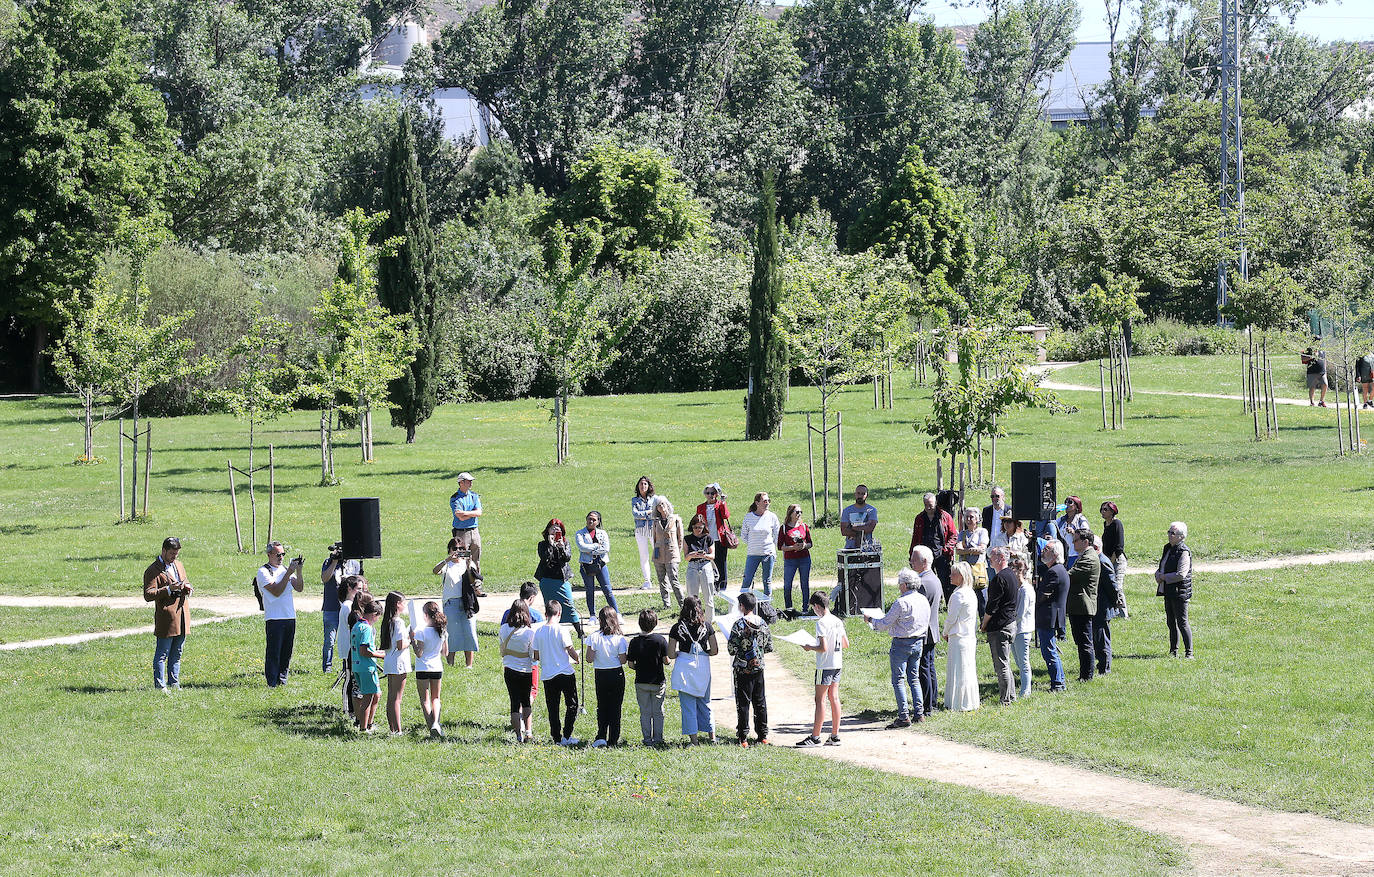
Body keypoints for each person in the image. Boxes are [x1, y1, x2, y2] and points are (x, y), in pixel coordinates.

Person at [867, 567, 929, 727]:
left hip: (901, 643)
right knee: (914, 678)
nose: (898, 586)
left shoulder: (901, 602)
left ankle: (903, 716)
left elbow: (883, 624)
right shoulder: (923, 599)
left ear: (905, 585)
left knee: (899, 680)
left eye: (900, 583)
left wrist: (870, 620)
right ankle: (919, 713)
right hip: (918, 642)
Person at [797, 591, 849, 747]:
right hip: (837, 663)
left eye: (813, 608)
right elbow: (846, 643)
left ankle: (815, 736)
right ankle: (835, 735)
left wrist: (809, 647)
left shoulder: (821, 623)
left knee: (820, 700)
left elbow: (823, 647)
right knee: (834, 698)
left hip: (825, 665)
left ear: (817, 606)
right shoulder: (837, 620)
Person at [143, 536, 192, 693]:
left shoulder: (178, 565)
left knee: (177, 653)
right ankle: (160, 686)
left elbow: (185, 580)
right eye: (171, 554)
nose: (174, 557)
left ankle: (174, 683)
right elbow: (148, 595)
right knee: (162, 654)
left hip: (182, 615)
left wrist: (187, 587)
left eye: (176, 554)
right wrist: (169, 589)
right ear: (163, 551)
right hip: (166, 618)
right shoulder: (153, 570)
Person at [668, 596, 719, 745]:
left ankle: (694, 740)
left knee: (688, 706)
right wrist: (705, 653)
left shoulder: (676, 627)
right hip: (702, 666)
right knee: (705, 702)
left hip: (684, 666)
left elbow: (670, 653)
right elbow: (715, 650)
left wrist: (679, 654)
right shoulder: (707, 626)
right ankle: (712, 737)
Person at [727, 591, 773, 746]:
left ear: (742, 606)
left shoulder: (739, 625)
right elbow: (768, 647)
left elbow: (731, 649)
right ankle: (763, 735)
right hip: (758, 668)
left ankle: (743, 736)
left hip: (742, 669)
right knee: (760, 702)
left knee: (743, 703)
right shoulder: (763, 623)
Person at [533, 600, 581, 745]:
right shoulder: (561, 630)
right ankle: (567, 734)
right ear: (559, 613)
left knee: (553, 707)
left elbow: (536, 656)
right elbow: (570, 649)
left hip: (548, 674)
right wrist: (577, 658)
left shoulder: (539, 631)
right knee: (572, 705)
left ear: (545, 614)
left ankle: (556, 737)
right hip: (565, 672)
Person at [257, 541, 303, 687]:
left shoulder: (284, 569)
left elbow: (299, 588)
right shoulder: (263, 572)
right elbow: (276, 591)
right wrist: (288, 573)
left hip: (289, 616)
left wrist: (299, 571)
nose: (281, 557)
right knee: (274, 652)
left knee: (286, 652)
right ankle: (272, 682)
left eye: (283, 554)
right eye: (278, 554)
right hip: (274, 618)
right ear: (269, 555)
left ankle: (282, 680)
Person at [584, 606, 628, 748]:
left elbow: (589, 659)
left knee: (602, 706)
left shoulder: (594, 637)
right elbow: (623, 660)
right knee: (616, 707)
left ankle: (601, 734)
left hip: (601, 674)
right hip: (616, 673)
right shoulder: (619, 638)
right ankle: (613, 738)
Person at [981, 546, 1020, 705]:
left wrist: (984, 624)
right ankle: (1011, 696)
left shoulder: (998, 579)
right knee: (1006, 663)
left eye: (992, 557)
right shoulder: (1011, 574)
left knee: (1001, 666)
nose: (990, 559)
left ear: (1001, 558)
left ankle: (1005, 700)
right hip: (1011, 623)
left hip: (1000, 626)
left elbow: (991, 607)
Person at [434, 539, 479, 669]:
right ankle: (450, 663)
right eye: (455, 548)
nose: (458, 551)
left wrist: (469, 564)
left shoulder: (467, 564)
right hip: (451, 602)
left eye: (461, 549)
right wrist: (447, 560)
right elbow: (435, 571)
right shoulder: (447, 565)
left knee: (469, 631)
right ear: (449, 550)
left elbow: (472, 580)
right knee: (451, 633)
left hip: (467, 602)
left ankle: (469, 665)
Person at [627, 608, 669, 746]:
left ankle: (647, 739)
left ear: (639, 623)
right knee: (658, 711)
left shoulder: (634, 642)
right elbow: (666, 661)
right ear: (656, 623)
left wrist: (638, 668)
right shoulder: (660, 640)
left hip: (641, 681)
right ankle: (658, 738)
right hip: (657, 681)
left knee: (645, 712)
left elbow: (631, 664)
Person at [942, 562, 980, 712]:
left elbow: (951, 618)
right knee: (967, 669)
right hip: (968, 635)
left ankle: (959, 703)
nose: (950, 576)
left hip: (959, 636)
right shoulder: (969, 592)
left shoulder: (959, 594)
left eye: (953, 574)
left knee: (959, 670)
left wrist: (945, 631)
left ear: (961, 576)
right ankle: (968, 701)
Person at [909, 546, 942, 717]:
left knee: (923, 669)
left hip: (924, 631)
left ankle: (927, 706)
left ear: (924, 562)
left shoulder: (923, 583)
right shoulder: (933, 579)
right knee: (929, 667)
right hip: (932, 629)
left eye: (914, 559)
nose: (911, 562)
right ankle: (932, 702)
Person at [498, 600, 537, 743]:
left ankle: (518, 736)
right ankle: (528, 732)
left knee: (514, 702)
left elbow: (501, 647)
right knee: (526, 701)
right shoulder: (529, 632)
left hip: (509, 670)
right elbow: (533, 655)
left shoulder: (503, 629)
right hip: (525, 670)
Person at [535, 519, 582, 637]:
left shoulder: (565, 543)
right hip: (547, 580)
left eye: (558, 528)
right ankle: (552, 631)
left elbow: (567, 558)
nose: (555, 530)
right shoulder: (542, 544)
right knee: (550, 607)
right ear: (547, 530)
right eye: (552, 528)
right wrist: (551, 545)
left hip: (561, 581)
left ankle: (580, 632)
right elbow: (545, 559)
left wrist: (560, 547)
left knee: (569, 605)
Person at [1154, 521, 1194, 658]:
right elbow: (1162, 565)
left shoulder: (1184, 551)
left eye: (1173, 533)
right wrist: (1158, 574)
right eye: (1169, 532)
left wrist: (1164, 577)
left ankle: (1189, 653)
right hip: (1168, 590)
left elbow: (1181, 574)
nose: (1170, 535)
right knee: (1170, 622)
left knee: (1182, 622)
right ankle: (1173, 651)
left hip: (1180, 592)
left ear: (1181, 537)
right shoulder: (1167, 548)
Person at [1034, 540, 1070, 692]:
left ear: (1055, 554)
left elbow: (1043, 595)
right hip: (1053, 615)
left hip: (1048, 616)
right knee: (1051, 650)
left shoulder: (1053, 572)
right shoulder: (1059, 570)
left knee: (1048, 651)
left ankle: (1058, 684)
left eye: (1047, 549)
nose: (1043, 551)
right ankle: (1059, 680)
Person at [319, 543, 360, 674]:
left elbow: (360, 583)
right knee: (329, 640)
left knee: (349, 637)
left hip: (349, 607)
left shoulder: (354, 564)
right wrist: (334, 561)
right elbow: (325, 578)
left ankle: (347, 665)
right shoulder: (329, 562)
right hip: (331, 607)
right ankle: (327, 667)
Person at [1067, 529, 1100, 682]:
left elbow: (1070, 575)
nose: (1073, 543)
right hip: (1078, 605)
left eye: (1075, 540)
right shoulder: (1085, 556)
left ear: (1085, 542)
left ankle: (1087, 676)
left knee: (1085, 643)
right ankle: (1084, 674)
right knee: (1081, 642)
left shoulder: (1089, 558)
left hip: (1083, 606)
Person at [412, 601, 448, 739]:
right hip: (437, 667)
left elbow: (419, 653)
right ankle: (436, 724)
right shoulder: (442, 631)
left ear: (426, 615)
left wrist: (412, 641)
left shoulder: (421, 631)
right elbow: (445, 652)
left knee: (424, 700)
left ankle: (431, 726)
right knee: (436, 698)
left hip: (422, 668)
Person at [350, 594, 385, 733]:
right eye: (378, 617)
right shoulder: (367, 628)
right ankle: (364, 729)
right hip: (366, 667)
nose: (377, 620)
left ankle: (369, 724)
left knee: (376, 694)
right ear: (375, 614)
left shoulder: (357, 625)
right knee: (368, 698)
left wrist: (377, 652)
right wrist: (381, 656)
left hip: (357, 666)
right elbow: (364, 651)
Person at [910, 492, 956, 596]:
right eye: (926, 504)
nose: (928, 507)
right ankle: (931, 601)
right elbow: (915, 537)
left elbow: (953, 536)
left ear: (935, 503)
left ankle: (948, 603)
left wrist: (946, 549)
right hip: (924, 555)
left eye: (930, 505)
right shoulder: (919, 518)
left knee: (945, 581)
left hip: (941, 554)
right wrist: (912, 554)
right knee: (925, 580)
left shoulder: (945, 516)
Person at [576, 511, 620, 618]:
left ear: (598, 521)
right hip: (586, 565)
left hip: (601, 564)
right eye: (589, 519)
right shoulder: (580, 533)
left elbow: (606, 548)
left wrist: (590, 550)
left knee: (607, 589)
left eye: (594, 520)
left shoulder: (602, 533)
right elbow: (582, 547)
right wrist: (596, 546)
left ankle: (617, 614)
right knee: (589, 590)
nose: (591, 521)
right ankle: (592, 615)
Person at [380, 591, 412, 735]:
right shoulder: (398, 622)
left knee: (391, 697)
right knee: (397, 699)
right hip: (399, 662)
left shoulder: (389, 620)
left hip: (390, 661)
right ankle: (398, 730)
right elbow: (400, 644)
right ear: (398, 604)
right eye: (403, 602)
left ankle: (392, 728)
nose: (405, 605)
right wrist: (410, 639)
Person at [337, 575, 366, 718]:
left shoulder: (350, 605)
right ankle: (347, 709)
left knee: (353, 678)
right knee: (349, 678)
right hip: (349, 648)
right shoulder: (348, 606)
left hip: (352, 648)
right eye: (358, 589)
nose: (361, 593)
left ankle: (353, 708)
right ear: (350, 589)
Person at [740, 492, 780, 595]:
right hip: (753, 553)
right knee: (747, 580)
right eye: (765, 501)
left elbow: (777, 535)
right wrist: (754, 543)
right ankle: (742, 604)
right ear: (757, 503)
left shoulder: (772, 517)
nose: (767, 503)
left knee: (767, 581)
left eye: (768, 501)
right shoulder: (748, 517)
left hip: (768, 554)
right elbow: (744, 536)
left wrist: (772, 549)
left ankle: (767, 607)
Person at [449, 472, 484, 586]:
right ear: (461, 482)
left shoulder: (474, 496)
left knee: (476, 559)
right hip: (461, 533)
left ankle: (477, 586)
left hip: (474, 531)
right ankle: (463, 586)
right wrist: (471, 513)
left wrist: (465, 513)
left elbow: (479, 513)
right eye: (468, 481)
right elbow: (460, 517)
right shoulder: (455, 498)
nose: (471, 483)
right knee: (462, 560)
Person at [651, 496, 685, 610]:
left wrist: (677, 552)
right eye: (659, 505)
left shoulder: (676, 519)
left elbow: (680, 538)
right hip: (659, 554)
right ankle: (666, 604)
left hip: (672, 554)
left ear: (667, 505)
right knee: (662, 581)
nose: (661, 507)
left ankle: (682, 604)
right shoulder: (656, 522)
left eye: (663, 504)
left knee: (674, 580)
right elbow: (654, 538)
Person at [683, 514, 718, 624]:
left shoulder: (708, 538)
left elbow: (713, 556)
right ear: (691, 527)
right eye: (695, 527)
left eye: (700, 527)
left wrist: (704, 555)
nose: (698, 530)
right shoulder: (687, 539)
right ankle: (692, 619)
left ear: (704, 526)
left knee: (708, 596)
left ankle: (709, 621)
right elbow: (686, 558)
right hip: (692, 567)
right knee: (692, 597)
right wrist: (693, 555)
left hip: (705, 565)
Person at [1010, 551, 1036, 699]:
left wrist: (1010, 621)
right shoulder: (1019, 588)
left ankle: (1026, 691)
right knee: (1019, 662)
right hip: (1016, 630)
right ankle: (1024, 688)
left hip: (1022, 630)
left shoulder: (1026, 590)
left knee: (1024, 662)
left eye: (1014, 570)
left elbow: (1020, 613)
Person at [778, 503, 813, 613]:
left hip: (804, 558)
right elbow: (780, 547)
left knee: (805, 584)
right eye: (797, 512)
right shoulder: (784, 528)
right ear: (790, 513)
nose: (799, 514)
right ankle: (789, 609)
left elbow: (810, 543)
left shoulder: (804, 526)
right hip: (790, 560)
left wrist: (803, 546)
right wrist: (792, 547)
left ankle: (805, 609)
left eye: (800, 512)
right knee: (788, 584)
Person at [956, 507, 990, 619]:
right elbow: (958, 550)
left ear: (977, 519)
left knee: (982, 599)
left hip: (978, 570)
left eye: (971, 517)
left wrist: (966, 550)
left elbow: (982, 549)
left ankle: (983, 623)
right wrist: (972, 550)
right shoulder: (962, 533)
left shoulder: (982, 532)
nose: (969, 519)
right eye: (967, 517)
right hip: (965, 571)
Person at [696, 483, 732, 586]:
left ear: (716, 494)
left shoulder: (720, 505)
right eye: (708, 493)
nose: (710, 495)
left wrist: (723, 502)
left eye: (713, 493)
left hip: (720, 539)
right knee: (709, 563)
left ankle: (723, 585)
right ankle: (712, 585)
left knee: (721, 562)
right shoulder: (700, 507)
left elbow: (725, 516)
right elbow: (698, 522)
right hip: (707, 540)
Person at [1092, 535, 1118, 676]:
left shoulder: (1103, 562)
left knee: (1102, 639)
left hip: (1103, 607)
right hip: (1098, 606)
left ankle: (1105, 668)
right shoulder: (1098, 560)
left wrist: (1114, 602)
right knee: (1097, 638)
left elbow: (1112, 586)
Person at [1100, 502, 1127, 617]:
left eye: (1105, 509)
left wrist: (1111, 561)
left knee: (1118, 586)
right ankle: (1114, 611)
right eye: (1102, 509)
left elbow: (1119, 546)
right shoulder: (1106, 524)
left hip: (1117, 559)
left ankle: (1123, 613)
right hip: (1108, 559)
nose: (1102, 511)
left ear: (1112, 511)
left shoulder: (1117, 524)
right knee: (1110, 585)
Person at [632, 476, 657, 591]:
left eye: (645, 484)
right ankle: (647, 581)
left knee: (658, 554)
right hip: (640, 531)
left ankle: (663, 578)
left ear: (649, 486)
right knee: (644, 556)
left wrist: (644, 514)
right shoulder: (635, 500)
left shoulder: (654, 499)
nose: (643, 486)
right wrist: (648, 513)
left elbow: (656, 513)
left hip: (653, 529)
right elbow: (635, 514)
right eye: (641, 484)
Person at [839, 484, 878, 549]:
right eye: (858, 493)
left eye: (863, 494)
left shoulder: (872, 510)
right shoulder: (847, 511)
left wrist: (852, 528)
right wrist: (863, 529)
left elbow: (870, 528)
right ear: (855, 494)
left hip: (867, 548)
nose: (860, 496)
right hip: (850, 548)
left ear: (866, 495)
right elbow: (844, 531)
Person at [1057, 497, 1089, 569]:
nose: (1067, 504)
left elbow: (1087, 535)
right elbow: (1053, 527)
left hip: (1075, 554)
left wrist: (1074, 533)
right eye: (1066, 502)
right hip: (1062, 555)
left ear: (1076, 506)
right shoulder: (1061, 520)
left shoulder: (1081, 519)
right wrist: (1054, 513)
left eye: (1070, 502)